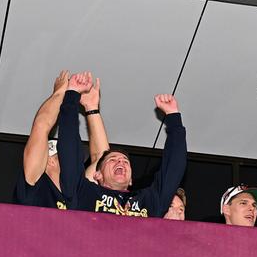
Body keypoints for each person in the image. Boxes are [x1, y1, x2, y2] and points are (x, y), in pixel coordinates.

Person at [58, 72, 185, 218]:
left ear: (131, 180)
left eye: (125, 162)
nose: (121, 162)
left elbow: (174, 168)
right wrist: (72, 95)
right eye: (112, 160)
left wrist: (173, 116)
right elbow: (69, 151)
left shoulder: (149, 201)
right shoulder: (83, 193)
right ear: (97, 175)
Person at [15, 71, 110, 210]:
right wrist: (60, 93)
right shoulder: (34, 187)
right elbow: (41, 126)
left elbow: (103, 159)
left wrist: (91, 108)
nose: (71, 159)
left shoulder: (80, 191)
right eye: (63, 155)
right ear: (50, 161)